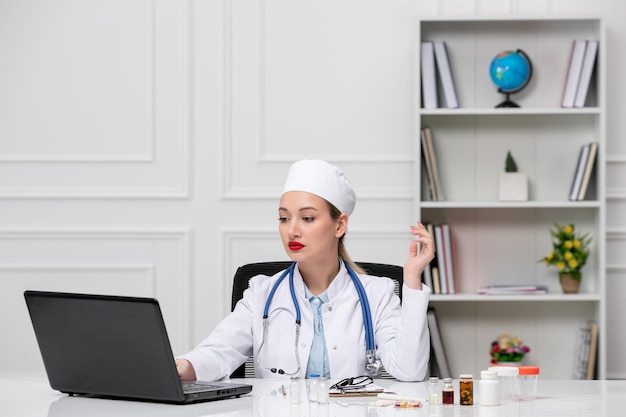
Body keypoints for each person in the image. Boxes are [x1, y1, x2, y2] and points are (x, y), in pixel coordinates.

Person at [176, 159, 434, 382]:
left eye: (307, 218)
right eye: (284, 218)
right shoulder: (261, 292)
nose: (292, 230)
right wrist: (182, 367)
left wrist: (411, 279)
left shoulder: (378, 293)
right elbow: (218, 351)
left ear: (339, 225)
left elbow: (409, 370)